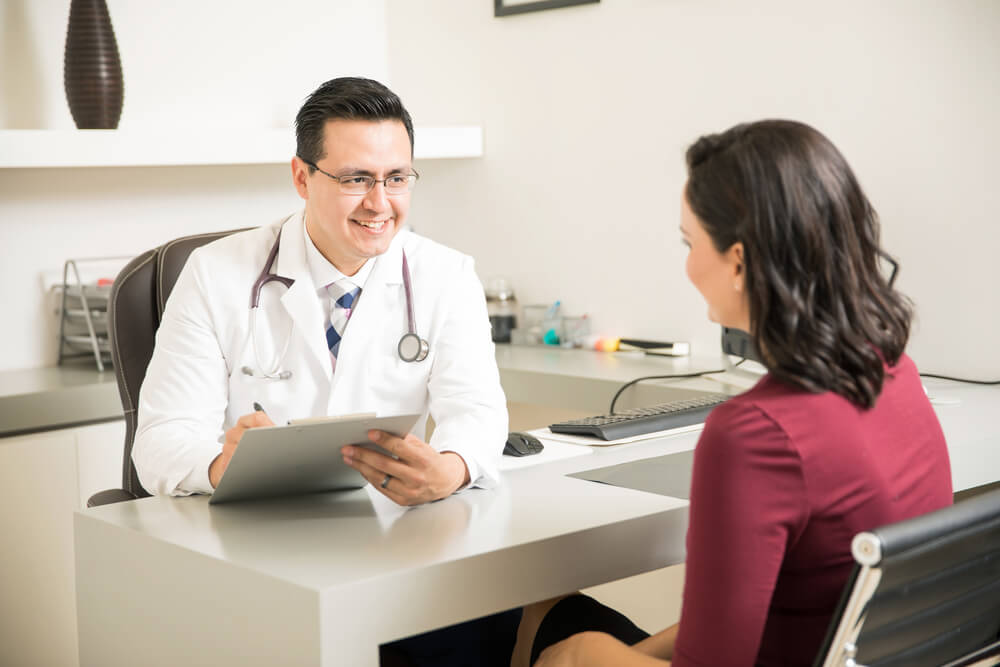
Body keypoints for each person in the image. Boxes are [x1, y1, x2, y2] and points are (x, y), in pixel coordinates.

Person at [514, 120, 953, 667]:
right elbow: (776, 605)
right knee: (558, 620)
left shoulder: (755, 434)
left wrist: (582, 656)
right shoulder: (894, 371)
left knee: (561, 639)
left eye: (689, 242)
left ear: (739, 261)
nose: (688, 264)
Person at [131, 77, 518, 665]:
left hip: (396, 545)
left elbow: (478, 411)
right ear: (301, 177)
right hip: (260, 552)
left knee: (473, 622)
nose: (380, 203)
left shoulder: (446, 275)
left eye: (396, 178)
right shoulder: (215, 275)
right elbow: (159, 442)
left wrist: (453, 468)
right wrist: (218, 464)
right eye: (356, 179)